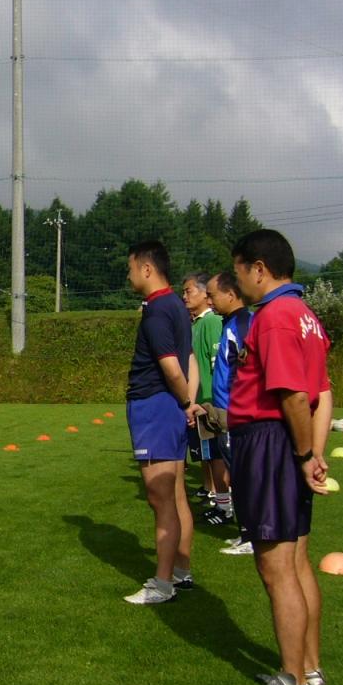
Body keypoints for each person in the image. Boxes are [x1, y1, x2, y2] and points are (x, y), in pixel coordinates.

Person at [227, 229, 332, 685]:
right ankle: (309, 670)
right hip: (289, 443)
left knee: (276, 567)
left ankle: (291, 682)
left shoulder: (273, 317)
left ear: (259, 269)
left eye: (239, 272)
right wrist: (313, 452)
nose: (237, 283)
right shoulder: (307, 316)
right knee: (296, 561)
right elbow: (323, 394)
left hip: (270, 443)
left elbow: (293, 394)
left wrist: (306, 454)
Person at [123, 241, 203, 605]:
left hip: (154, 408)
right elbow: (190, 360)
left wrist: (185, 402)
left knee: (161, 500)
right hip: (168, 407)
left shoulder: (157, 310)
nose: (129, 276)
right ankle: (182, 571)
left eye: (131, 268)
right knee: (176, 494)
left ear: (146, 269)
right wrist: (188, 401)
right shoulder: (178, 307)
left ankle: (163, 583)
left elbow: (172, 367)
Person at [207, 272, 255, 556]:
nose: (210, 301)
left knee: (243, 473)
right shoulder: (230, 323)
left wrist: (238, 407)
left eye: (212, 295)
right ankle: (246, 532)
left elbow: (248, 370)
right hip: (226, 410)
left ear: (230, 294)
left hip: (236, 413)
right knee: (236, 472)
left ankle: (253, 535)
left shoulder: (243, 324)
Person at [182, 272, 232, 524]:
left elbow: (216, 364)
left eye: (189, 291)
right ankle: (217, 498)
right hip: (200, 401)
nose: (184, 296)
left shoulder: (211, 322)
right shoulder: (197, 323)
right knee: (206, 453)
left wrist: (210, 401)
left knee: (216, 455)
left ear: (204, 294)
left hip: (210, 402)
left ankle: (224, 504)